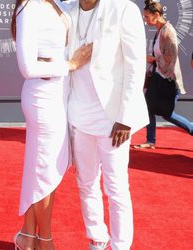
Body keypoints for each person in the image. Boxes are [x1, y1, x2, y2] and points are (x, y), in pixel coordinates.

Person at [65, 0, 149, 249]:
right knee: (86, 182)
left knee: (116, 186)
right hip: (79, 114)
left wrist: (125, 117)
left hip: (113, 118)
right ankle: (97, 239)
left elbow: (135, 66)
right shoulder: (68, 11)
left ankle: (121, 245)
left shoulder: (123, 8)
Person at [11, 1, 92, 249]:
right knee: (45, 169)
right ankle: (46, 240)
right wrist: (70, 65)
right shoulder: (29, 8)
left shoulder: (59, 3)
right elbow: (27, 67)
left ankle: (27, 236)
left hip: (60, 95)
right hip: (42, 97)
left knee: (42, 168)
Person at [134, 0, 193, 149]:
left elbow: (171, 58)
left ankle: (191, 129)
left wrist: (153, 59)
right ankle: (150, 140)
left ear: (157, 15)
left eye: (147, 16)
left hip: (168, 80)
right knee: (148, 107)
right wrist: (154, 60)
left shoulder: (168, 31)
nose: (145, 20)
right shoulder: (160, 30)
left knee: (167, 114)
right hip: (159, 77)